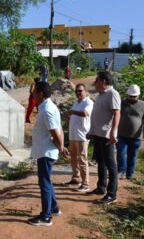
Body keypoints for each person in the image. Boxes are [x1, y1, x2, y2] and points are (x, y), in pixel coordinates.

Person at [28, 81, 69, 226]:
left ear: (41, 94)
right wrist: (61, 146)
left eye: (34, 92)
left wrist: (61, 147)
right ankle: (54, 208)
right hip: (45, 150)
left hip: (46, 151)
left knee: (44, 182)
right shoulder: (47, 107)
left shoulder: (47, 110)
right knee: (47, 181)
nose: (32, 94)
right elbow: (59, 129)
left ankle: (46, 217)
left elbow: (55, 131)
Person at [86, 71, 121, 205]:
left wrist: (113, 132)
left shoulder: (113, 94)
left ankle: (112, 194)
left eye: (97, 80)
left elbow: (117, 114)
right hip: (98, 134)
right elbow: (98, 115)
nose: (95, 82)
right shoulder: (101, 95)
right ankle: (101, 188)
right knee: (101, 163)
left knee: (111, 165)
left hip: (107, 136)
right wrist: (91, 131)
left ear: (104, 82)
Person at [116, 84, 144, 179]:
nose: (132, 98)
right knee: (121, 153)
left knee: (132, 155)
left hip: (136, 137)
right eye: (130, 96)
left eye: (134, 96)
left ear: (138, 95)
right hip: (122, 135)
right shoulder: (121, 103)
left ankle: (130, 173)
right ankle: (121, 171)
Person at [65, 84, 94, 192]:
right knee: (73, 158)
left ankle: (85, 184)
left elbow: (85, 113)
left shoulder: (89, 102)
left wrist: (72, 112)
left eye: (80, 91)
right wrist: (69, 116)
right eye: (76, 91)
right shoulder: (76, 103)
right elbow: (75, 116)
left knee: (82, 159)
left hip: (82, 135)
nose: (78, 93)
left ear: (85, 91)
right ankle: (76, 178)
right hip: (73, 135)